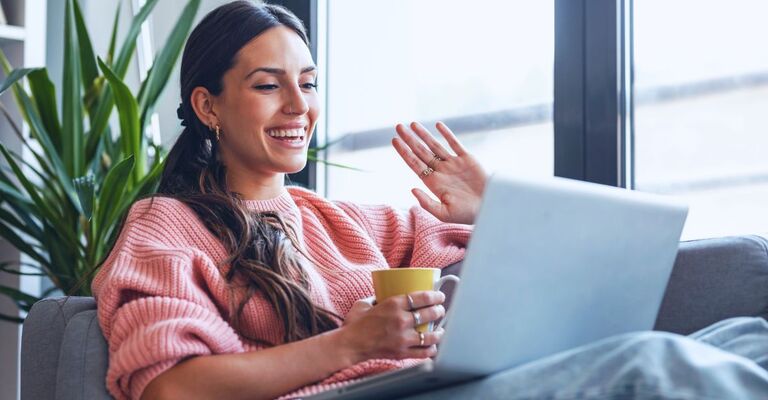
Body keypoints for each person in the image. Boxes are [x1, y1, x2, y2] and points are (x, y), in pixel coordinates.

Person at [91, 2, 768, 400]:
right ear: (208, 105)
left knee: (749, 336)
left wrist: (492, 205)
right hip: (346, 396)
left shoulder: (349, 221)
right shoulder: (168, 225)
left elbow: (528, 273)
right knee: (652, 365)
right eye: (270, 86)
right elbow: (169, 387)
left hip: (427, 385)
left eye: (310, 82)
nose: (301, 106)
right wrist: (349, 344)